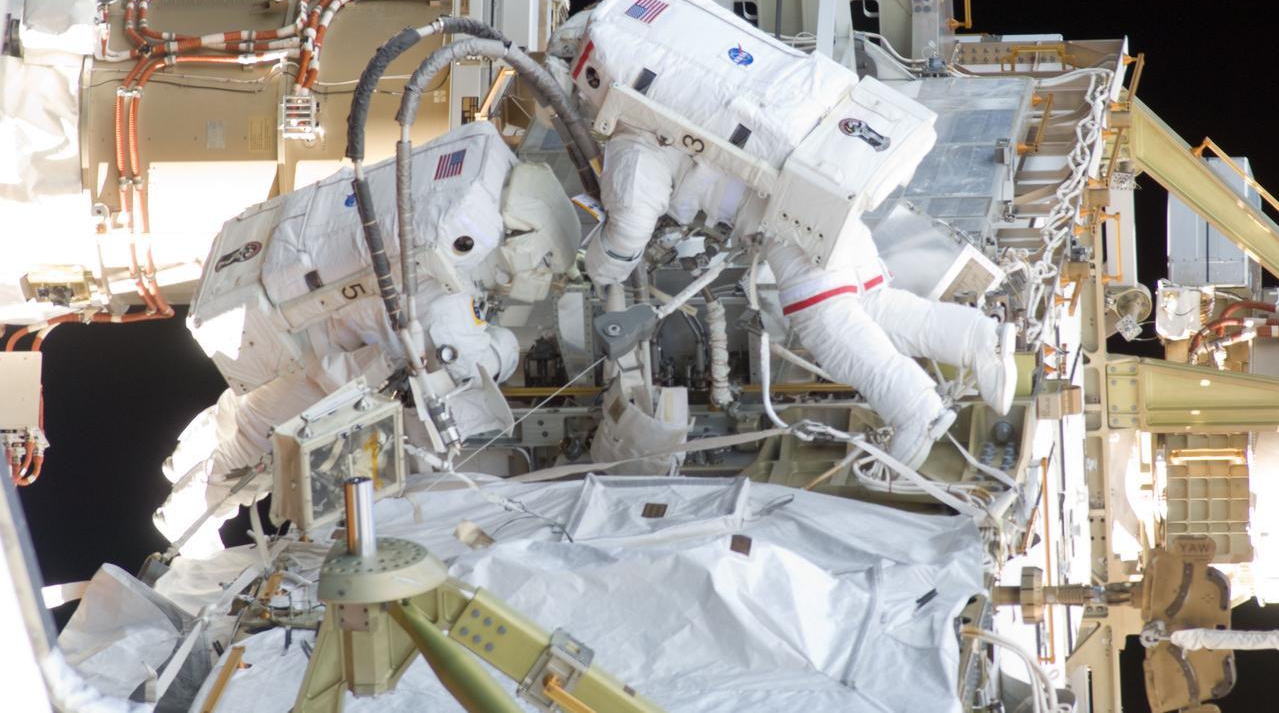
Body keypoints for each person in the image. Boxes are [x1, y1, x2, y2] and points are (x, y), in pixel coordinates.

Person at [155, 121, 580, 557]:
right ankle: (182, 522)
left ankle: (184, 458)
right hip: (324, 364)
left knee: (245, 411)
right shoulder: (450, 290)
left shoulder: (462, 199)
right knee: (252, 450)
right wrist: (506, 348)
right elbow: (468, 363)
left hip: (312, 327)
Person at [583, 130, 1015, 472]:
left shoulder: (635, 140)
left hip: (785, 217)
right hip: (823, 192)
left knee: (822, 321)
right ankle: (978, 339)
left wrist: (599, 268)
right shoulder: (677, 97)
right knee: (872, 307)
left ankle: (914, 408)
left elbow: (627, 232)